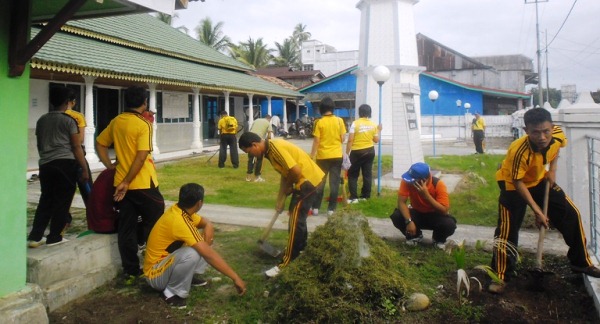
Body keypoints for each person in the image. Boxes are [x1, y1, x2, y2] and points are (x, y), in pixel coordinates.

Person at [489, 108, 600, 294]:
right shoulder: (519, 150)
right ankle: (500, 274)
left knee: (571, 214)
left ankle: (581, 263)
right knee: (507, 229)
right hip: (512, 185)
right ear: (526, 131)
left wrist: (552, 172)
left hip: (539, 179)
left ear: (552, 128)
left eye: (545, 131)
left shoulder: (556, 135)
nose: (542, 137)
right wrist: (538, 211)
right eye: (536, 132)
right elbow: (518, 182)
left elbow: (555, 152)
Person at [96, 85, 165, 283]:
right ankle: (156, 265)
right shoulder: (143, 125)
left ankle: (131, 270)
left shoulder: (117, 121)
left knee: (126, 228)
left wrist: (110, 165)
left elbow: (100, 143)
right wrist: (127, 181)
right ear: (144, 102)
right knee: (157, 222)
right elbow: (142, 156)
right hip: (142, 183)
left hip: (120, 185)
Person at [144, 183, 246, 308]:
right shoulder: (179, 221)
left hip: (164, 266)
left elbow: (205, 222)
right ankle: (171, 292)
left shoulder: (181, 211)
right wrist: (235, 277)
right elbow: (209, 255)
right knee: (195, 251)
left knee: (202, 242)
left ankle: (188, 276)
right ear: (199, 203)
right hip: (154, 275)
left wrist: (209, 226)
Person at [238, 132, 324, 278]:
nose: (250, 155)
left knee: (296, 221)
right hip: (305, 181)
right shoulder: (270, 151)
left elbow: (295, 171)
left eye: (249, 152)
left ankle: (287, 263)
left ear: (254, 145)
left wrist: (290, 187)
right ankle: (300, 250)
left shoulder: (274, 148)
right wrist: (280, 200)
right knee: (297, 220)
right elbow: (286, 175)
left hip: (308, 182)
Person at [27, 85, 90, 248]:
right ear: (68, 102)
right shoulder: (69, 120)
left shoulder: (42, 120)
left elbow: (40, 143)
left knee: (46, 199)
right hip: (65, 163)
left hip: (46, 163)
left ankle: (35, 236)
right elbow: (76, 146)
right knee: (63, 200)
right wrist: (83, 168)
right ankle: (55, 236)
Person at [389, 162, 457, 249]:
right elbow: (401, 203)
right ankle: (415, 236)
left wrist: (427, 196)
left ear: (424, 180)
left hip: (434, 215)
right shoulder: (406, 181)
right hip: (417, 212)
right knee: (397, 216)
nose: (410, 181)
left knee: (449, 224)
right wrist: (409, 221)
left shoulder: (439, 185)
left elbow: (444, 210)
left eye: (413, 180)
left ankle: (438, 239)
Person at [310, 97, 346, 216]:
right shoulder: (339, 121)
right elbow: (343, 139)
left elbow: (316, 141)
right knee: (334, 183)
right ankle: (331, 209)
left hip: (322, 157)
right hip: (336, 156)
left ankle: (315, 208)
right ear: (332, 108)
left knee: (320, 182)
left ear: (321, 109)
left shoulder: (319, 122)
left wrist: (312, 155)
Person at [345, 104, 381, 203]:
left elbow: (350, 140)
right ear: (369, 113)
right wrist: (379, 130)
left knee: (353, 175)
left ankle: (354, 197)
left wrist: (347, 154)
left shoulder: (355, 124)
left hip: (357, 152)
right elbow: (376, 140)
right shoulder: (373, 125)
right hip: (369, 151)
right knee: (367, 174)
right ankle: (365, 196)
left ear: (360, 112)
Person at [64, 96, 94, 208]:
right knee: (87, 189)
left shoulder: (55, 117)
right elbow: (80, 140)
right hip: (77, 155)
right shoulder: (77, 116)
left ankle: (65, 219)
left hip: (63, 157)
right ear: (73, 102)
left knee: (65, 191)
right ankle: (92, 213)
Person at [246, 114, 273, 182]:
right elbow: (269, 136)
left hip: (249, 139)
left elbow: (251, 129)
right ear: (269, 119)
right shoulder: (268, 123)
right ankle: (257, 177)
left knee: (251, 159)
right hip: (257, 141)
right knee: (259, 159)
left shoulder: (256, 120)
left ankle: (248, 177)